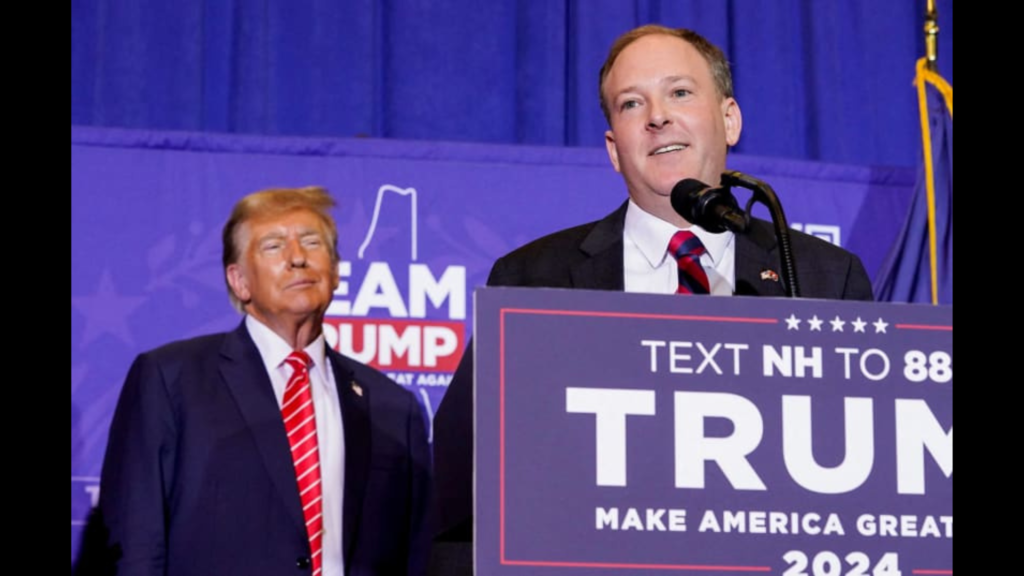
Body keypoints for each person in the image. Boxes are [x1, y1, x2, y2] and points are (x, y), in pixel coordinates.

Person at [427, 24, 873, 573]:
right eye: (632, 103)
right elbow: (464, 489)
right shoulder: (530, 279)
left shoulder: (823, 276)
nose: (657, 115)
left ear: (729, 119)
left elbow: (864, 485)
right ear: (615, 148)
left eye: (680, 92)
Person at [93, 187, 431, 576]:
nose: (298, 258)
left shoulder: (393, 408)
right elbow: (135, 543)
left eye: (312, 242)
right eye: (273, 246)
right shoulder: (171, 380)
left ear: (336, 272)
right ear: (239, 281)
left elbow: (416, 556)